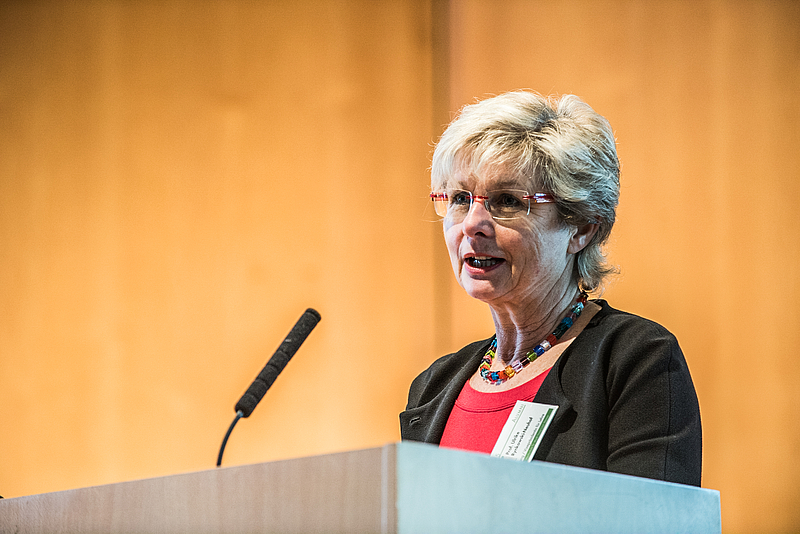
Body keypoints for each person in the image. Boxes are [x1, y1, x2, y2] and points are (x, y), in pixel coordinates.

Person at [400, 91, 702, 486]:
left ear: (581, 228)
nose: (472, 224)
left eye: (507, 201)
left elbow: (653, 516)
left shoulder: (633, 360)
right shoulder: (433, 387)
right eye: (460, 198)